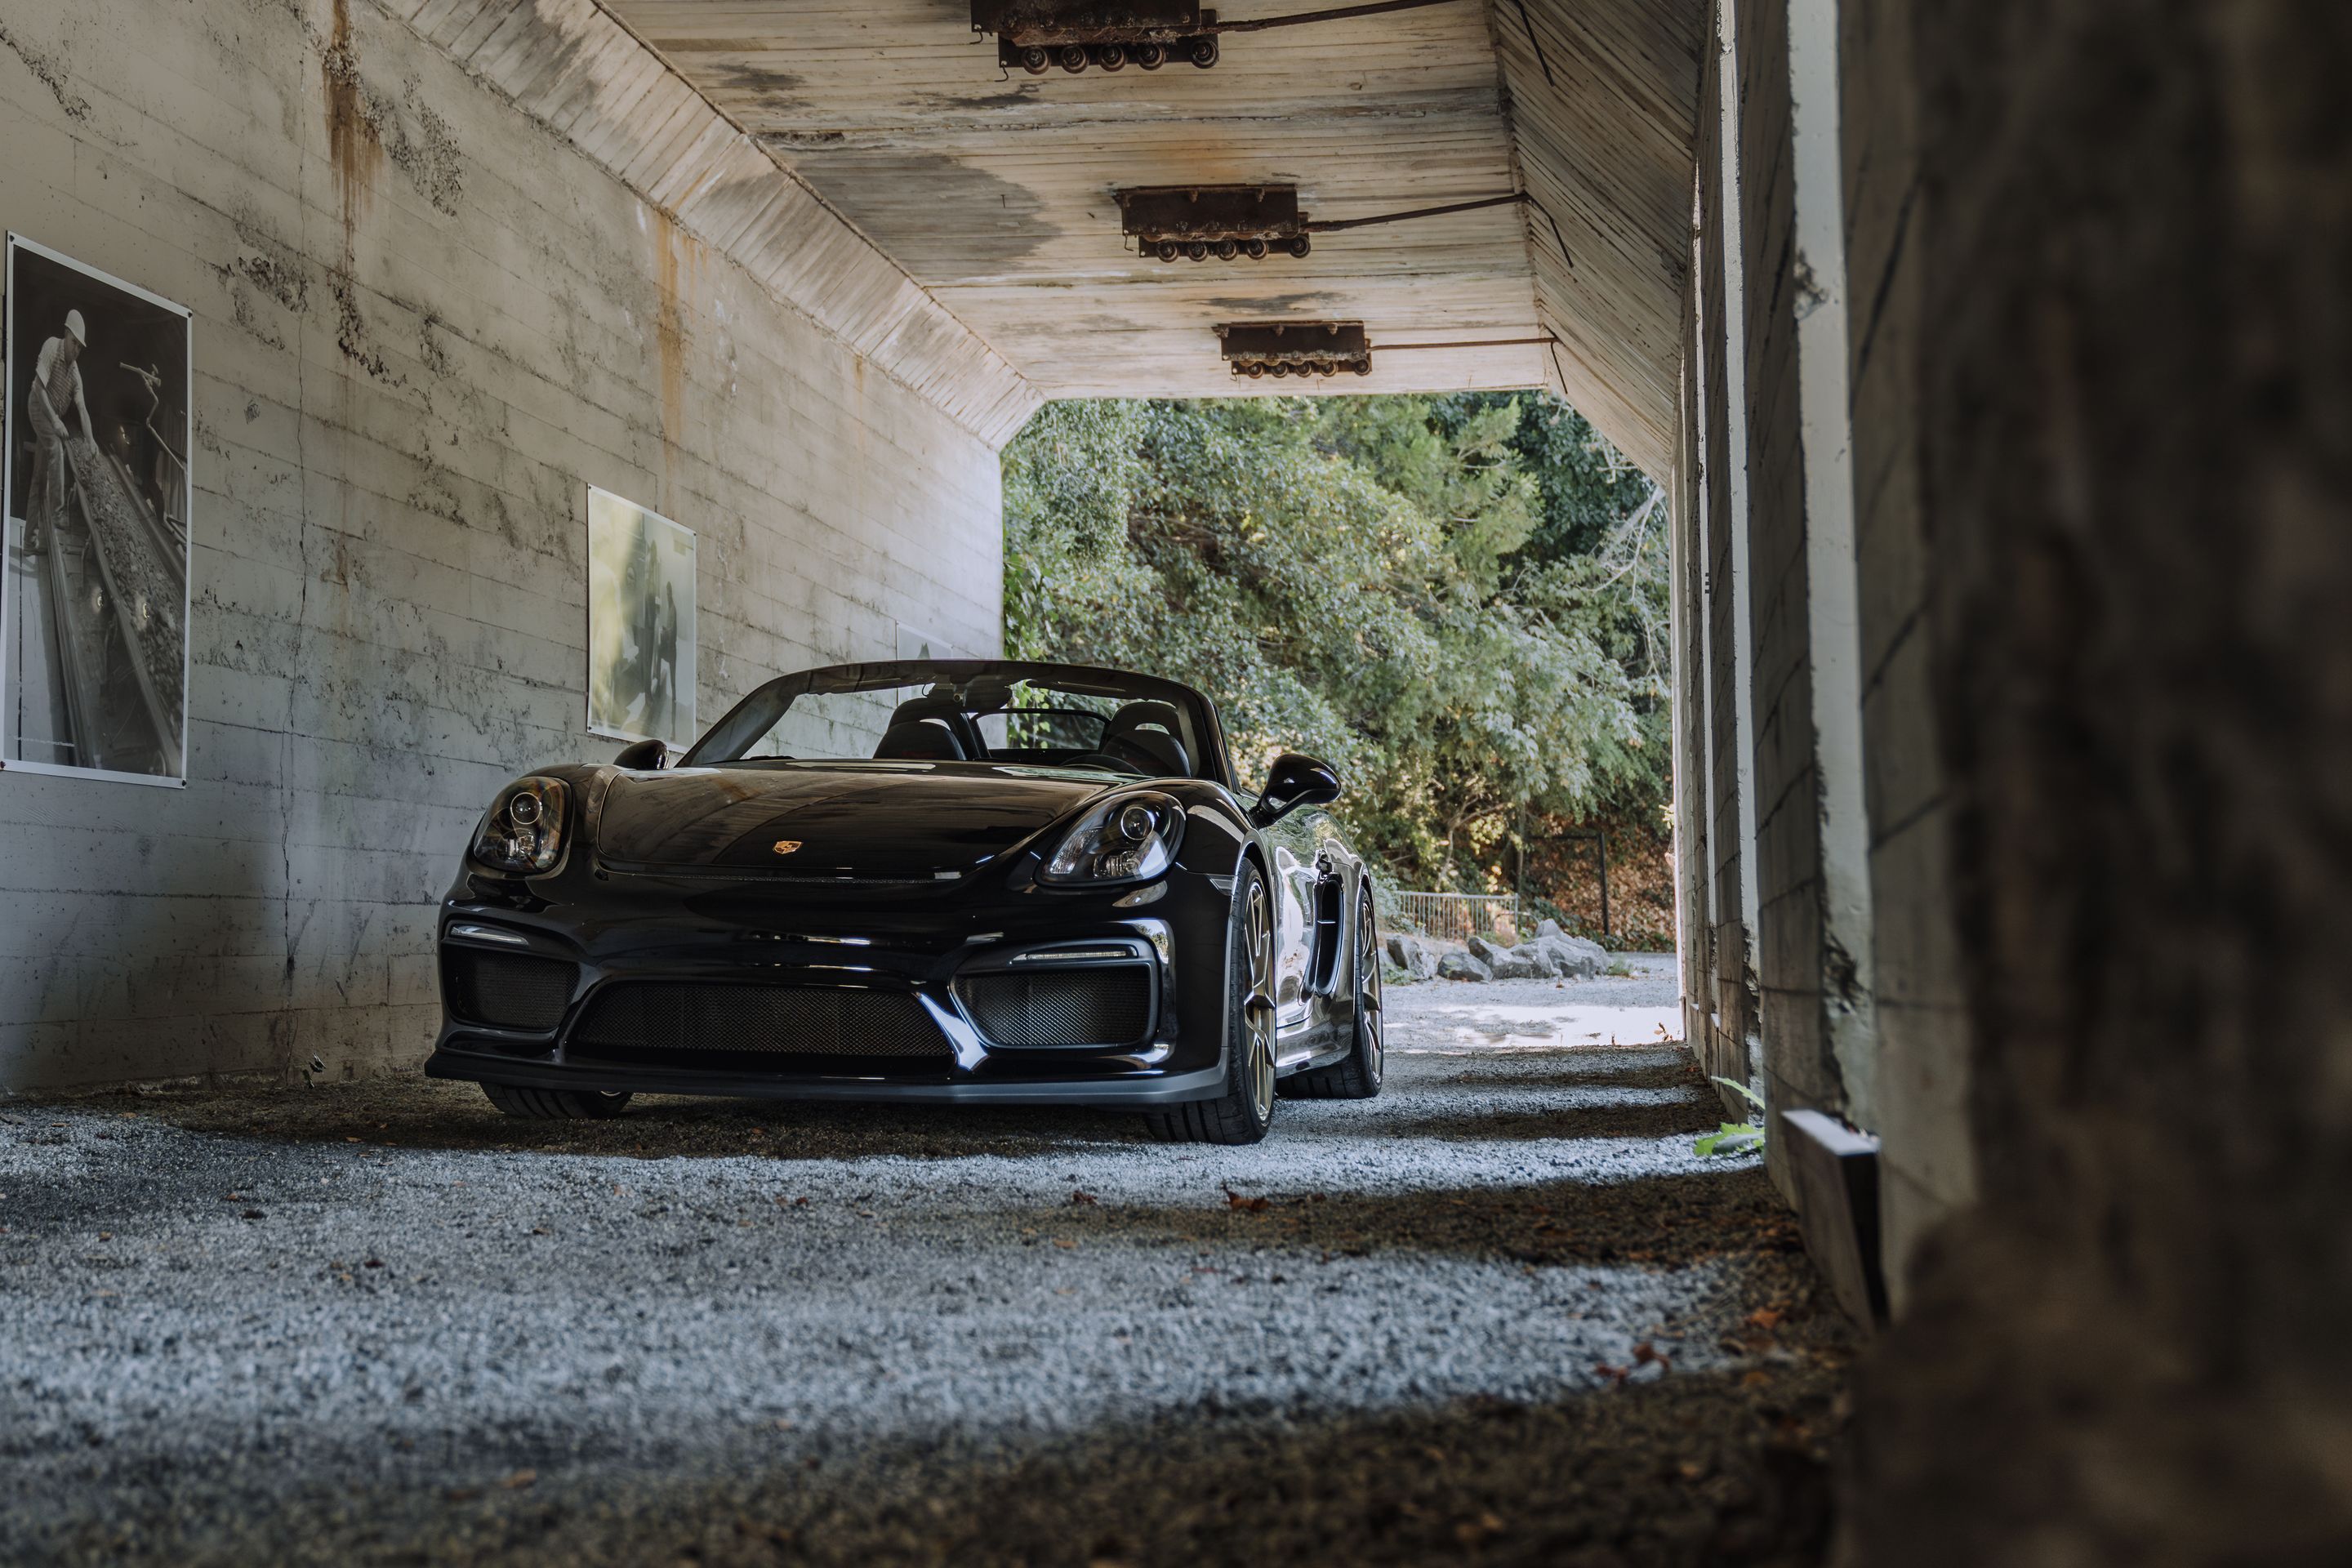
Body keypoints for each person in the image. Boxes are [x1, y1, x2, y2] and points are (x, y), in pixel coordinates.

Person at [25, 308, 95, 552]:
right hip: (38, 406)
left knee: (39, 479)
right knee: (56, 447)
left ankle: (29, 542)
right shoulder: (51, 347)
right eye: (74, 343)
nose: (76, 350)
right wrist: (55, 420)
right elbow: (38, 387)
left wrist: (91, 441)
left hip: (51, 416)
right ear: (66, 334)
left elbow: (82, 409)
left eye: (80, 347)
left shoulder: (75, 373)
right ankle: (57, 512)